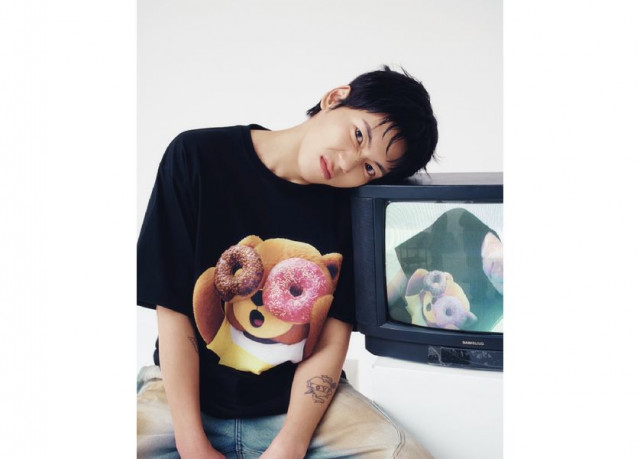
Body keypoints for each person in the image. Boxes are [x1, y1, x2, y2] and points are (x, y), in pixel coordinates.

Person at [137, 65, 438, 458]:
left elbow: (332, 338)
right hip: (182, 398)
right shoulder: (196, 155)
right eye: (358, 135)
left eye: (369, 168)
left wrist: (290, 444)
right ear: (335, 98)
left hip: (297, 407)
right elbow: (174, 311)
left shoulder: (353, 208)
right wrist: (192, 444)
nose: (348, 163)